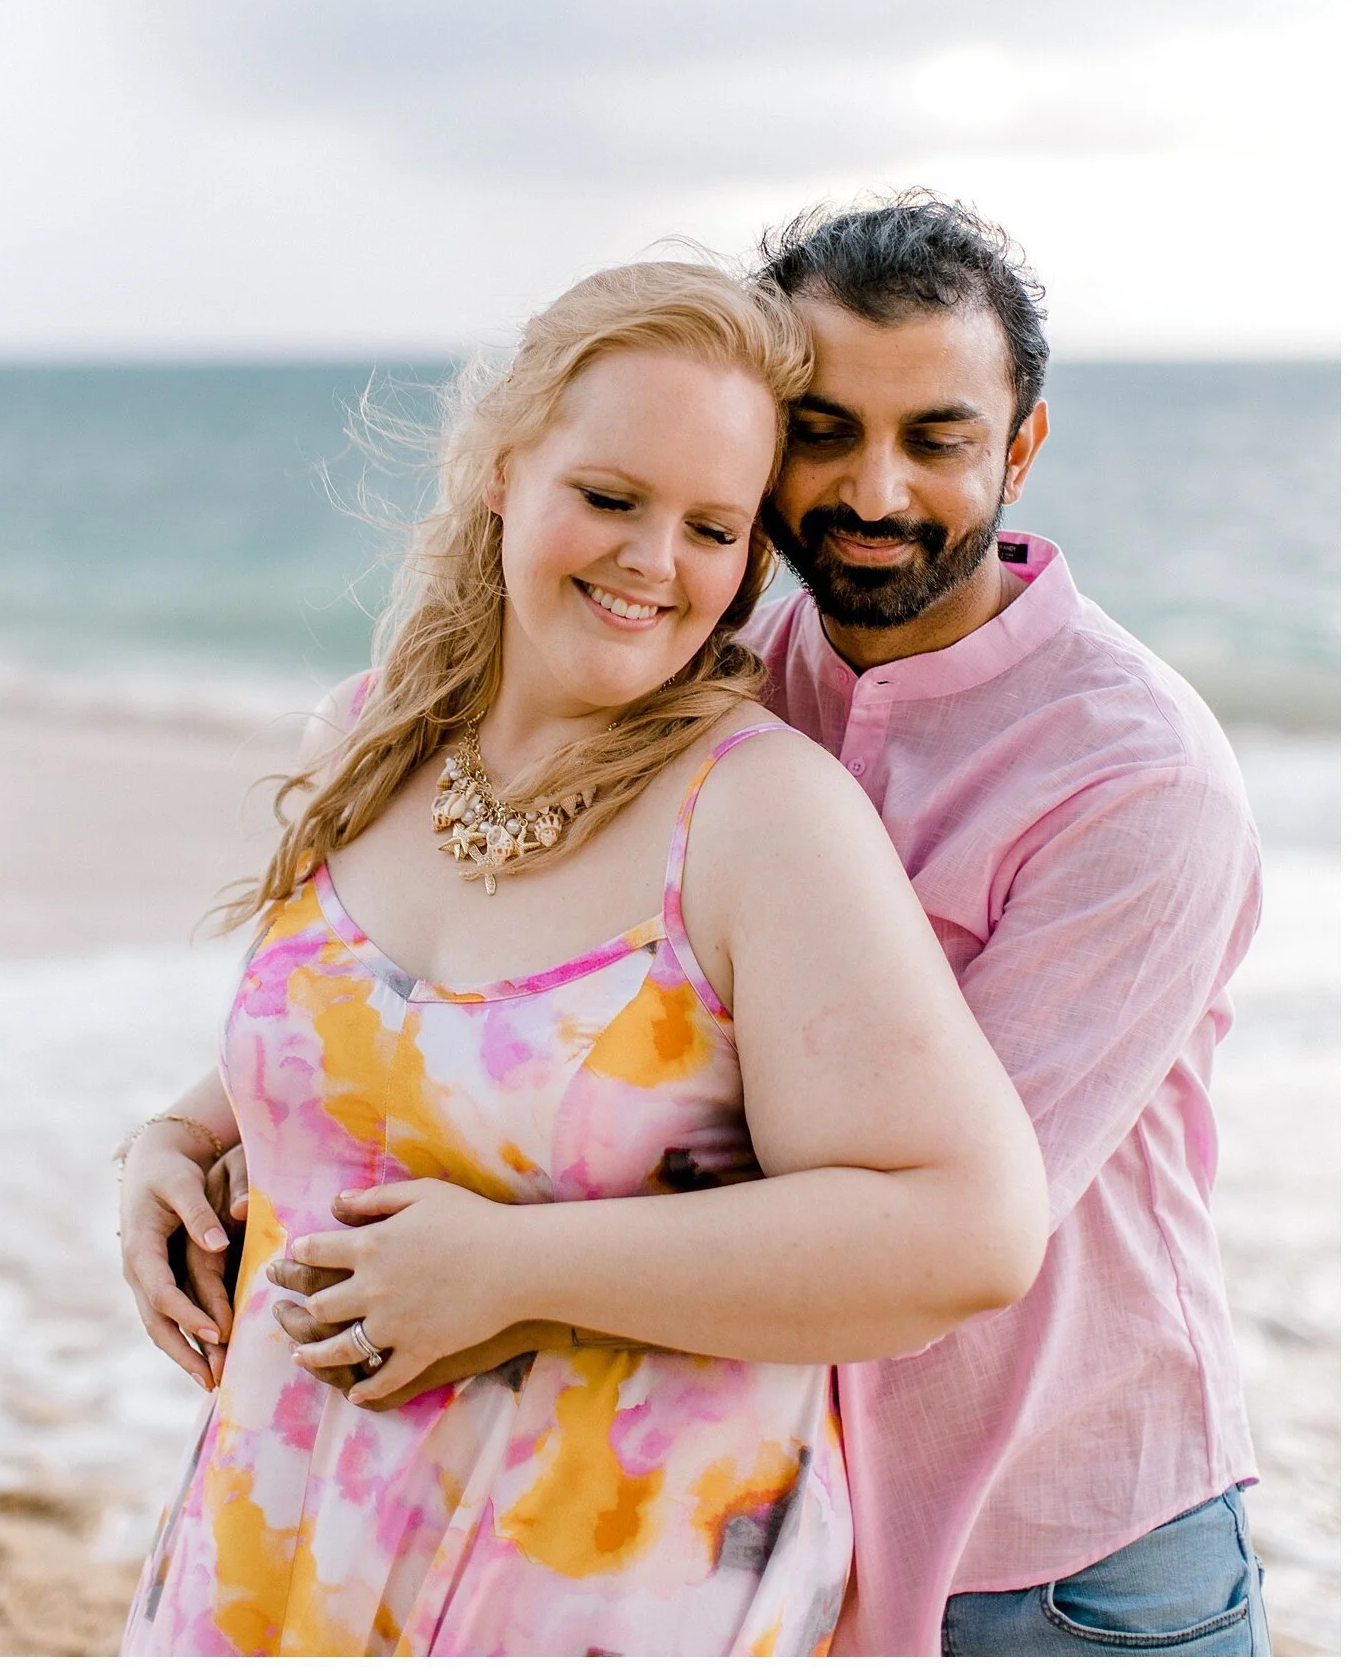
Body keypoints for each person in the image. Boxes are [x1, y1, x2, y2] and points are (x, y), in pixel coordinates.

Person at [261, 194, 1273, 1656]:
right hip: (755, 1520)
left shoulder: (1136, 781)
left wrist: (504, 1266)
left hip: (1054, 1562)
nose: (871, 489)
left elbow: (918, 1232)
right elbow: (517, 964)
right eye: (822, 429)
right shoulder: (718, 670)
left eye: (935, 435)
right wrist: (212, 1120)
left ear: (1022, 446)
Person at [116, 259, 1047, 1656]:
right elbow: (399, 1046)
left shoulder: (758, 817)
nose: (651, 565)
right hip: (277, 1544)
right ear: (503, 471)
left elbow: (970, 1229)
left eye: (712, 528)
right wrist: (175, 1141)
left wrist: (514, 1267)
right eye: (610, 498)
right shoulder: (365, 744)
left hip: (594, 1586)